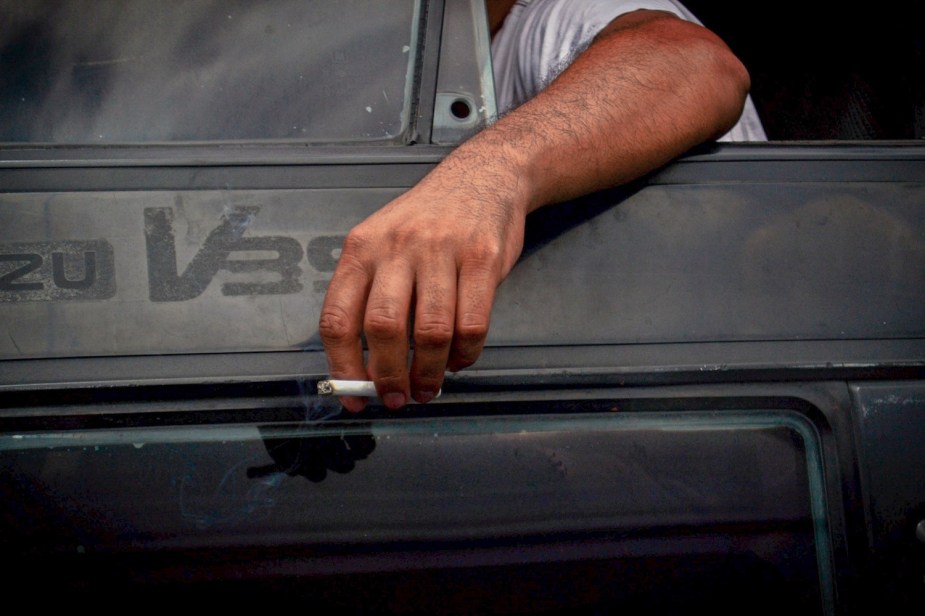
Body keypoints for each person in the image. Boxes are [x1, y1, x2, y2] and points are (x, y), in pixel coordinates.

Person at [319, 0, 765, 411]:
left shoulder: (563, 14)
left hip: (698, 396)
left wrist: (490, 174)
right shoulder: (409, 62)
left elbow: (694, 62)